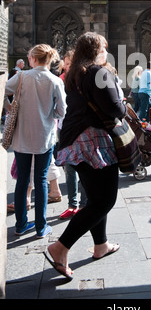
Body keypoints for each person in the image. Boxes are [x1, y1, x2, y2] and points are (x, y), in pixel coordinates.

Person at [44, 32, 127, 279]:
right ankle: (60, 247)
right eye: (104, 47)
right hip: (94, 142)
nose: (106, 51)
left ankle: (100, 245)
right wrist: (122, 101)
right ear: (96, 49)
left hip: (74, 140)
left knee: (94, 198)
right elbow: (115, 108)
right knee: (105, 201)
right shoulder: (98, 73)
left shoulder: (74, 73)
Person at [3, 44, 66, 238]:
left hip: (22, 136)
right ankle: (41, 226)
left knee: (22, 180)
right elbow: (62, 110)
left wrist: (9, 107)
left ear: (32, 59)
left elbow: (2, 90)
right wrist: (50, 114)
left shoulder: (22, 76)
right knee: (40, 180)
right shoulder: (55, 80)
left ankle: (21, 224)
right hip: (44, 137)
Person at [57, 49, 87, 219]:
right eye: (66, 64)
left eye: (70, 64)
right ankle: (72, 204)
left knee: (83, 166)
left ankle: (84, 204)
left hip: (81, 128)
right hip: (65, 128)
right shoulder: (60, 81)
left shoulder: (83, 80)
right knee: (69, 167)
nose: (68, 67)